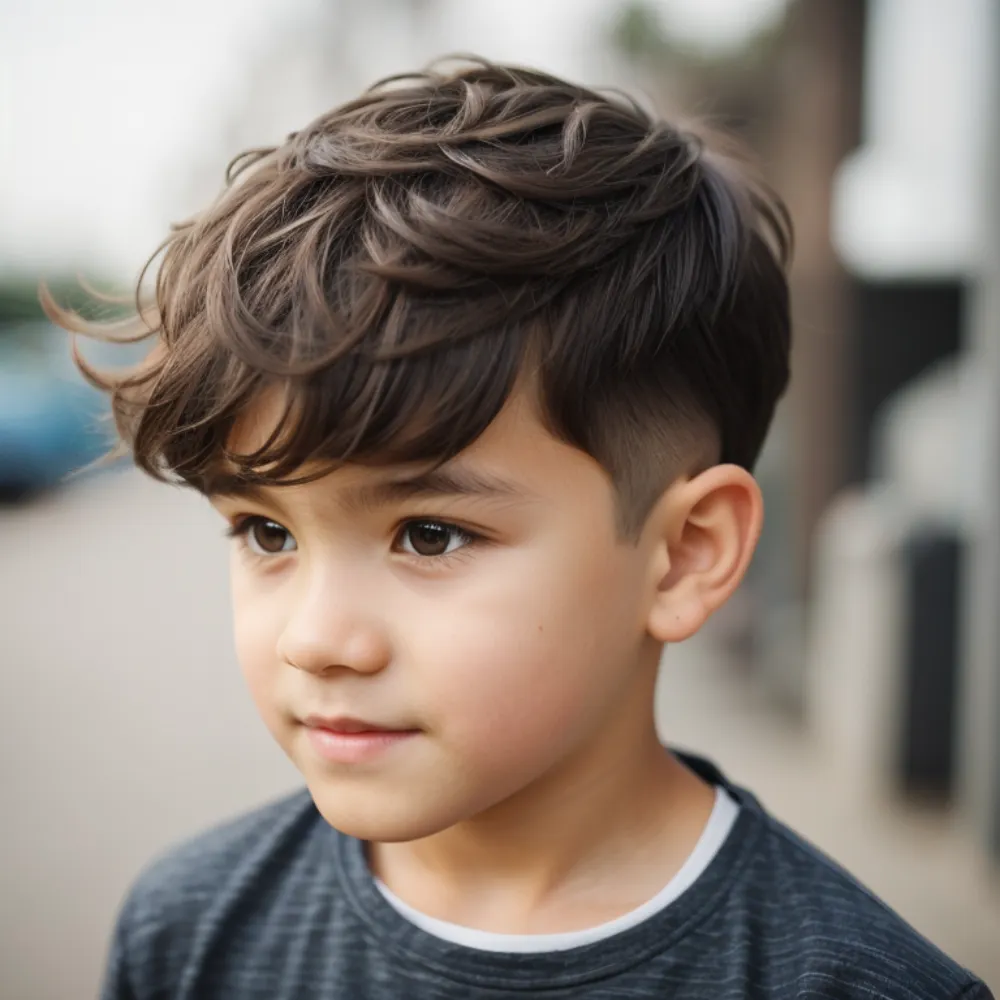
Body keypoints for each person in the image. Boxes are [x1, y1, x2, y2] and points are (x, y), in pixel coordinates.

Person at [49, 58, 993, 1000]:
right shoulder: (190, 934)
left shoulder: (853, 986)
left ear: (684, 555)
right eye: (266, 533)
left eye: (429, 535)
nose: (316, 641)